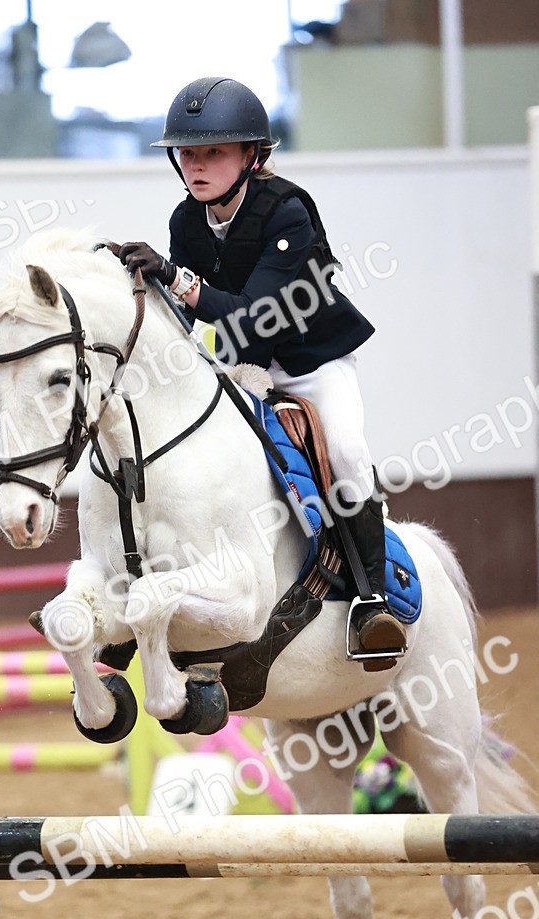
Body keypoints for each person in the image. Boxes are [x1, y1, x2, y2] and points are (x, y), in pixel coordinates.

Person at [118, 76, 406, 665]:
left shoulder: (288, 212)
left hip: (309, 360)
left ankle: (374, 603)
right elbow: (186, 316)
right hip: (238, 360)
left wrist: (175, 277)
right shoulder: (187, 220)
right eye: (188, 153)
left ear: (253, 156)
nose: (197, 165)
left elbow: (255, 314)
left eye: (214, 152)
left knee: (347, 450)